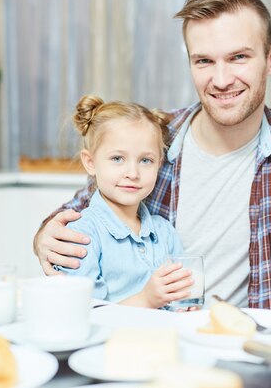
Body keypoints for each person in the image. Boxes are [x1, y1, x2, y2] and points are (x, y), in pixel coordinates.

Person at [33, 0, 271, 328]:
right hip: (155, 340)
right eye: (204, 61)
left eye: (239, 57)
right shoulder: (154, 138)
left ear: (270, 59)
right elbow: (79, 212)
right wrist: (44, 236)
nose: (222, 79)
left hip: (244, 345)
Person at [56, 95, 193, 309]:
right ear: (90, 163)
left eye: (145, 160)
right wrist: (146, 300)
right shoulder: (82, 235)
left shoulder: (165, 232)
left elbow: (182, 294)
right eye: (117, 159)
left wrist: (184, 306)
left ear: (159, 164)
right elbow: (84, 313)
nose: (132, 173)